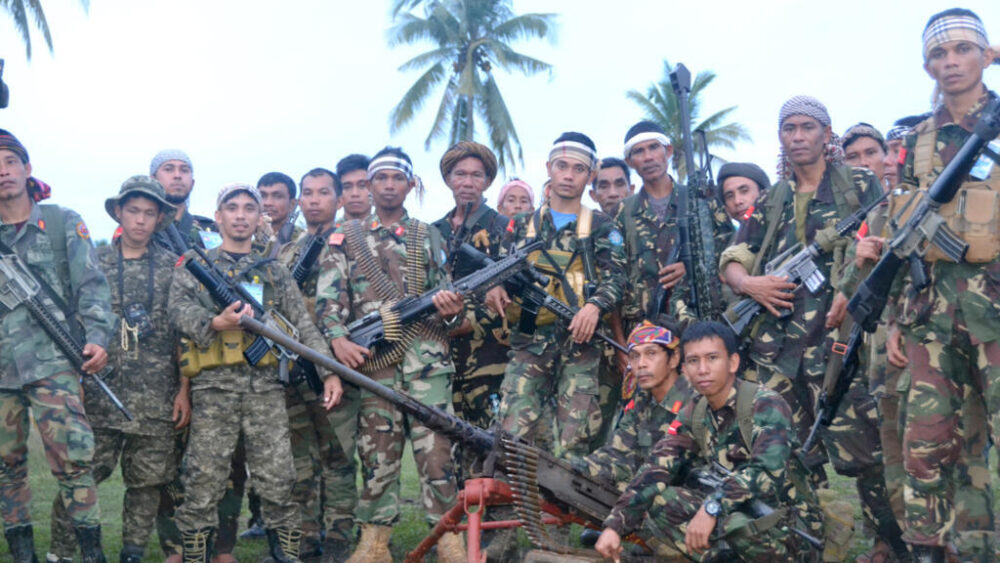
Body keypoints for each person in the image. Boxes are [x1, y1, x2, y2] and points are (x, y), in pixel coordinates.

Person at [719, 95, 905, 561]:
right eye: (789, 129)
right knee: (783, 455)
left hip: (842, 346)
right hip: (778, 349)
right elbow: (734, 257)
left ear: (826, 134)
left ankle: (890, 541)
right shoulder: (773, 198)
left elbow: (888, 240)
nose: (798, 136)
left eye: (807, 127)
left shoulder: (859, 185)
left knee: (864, 455)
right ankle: (799, 543)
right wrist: (750, 283)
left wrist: (851, 284)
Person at [878, 9, 999, 561]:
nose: (950, 62)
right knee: (924, 445)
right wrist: (898, 317)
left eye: (962, 50)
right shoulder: (917, 142)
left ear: (987, 55)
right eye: (938, 54)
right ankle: (929, 550)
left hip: (994, 312)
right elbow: (901, 236)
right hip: (930, 318)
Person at [169, 183, 344, 562]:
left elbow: (303, 325)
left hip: (265, 390)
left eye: (249, 208)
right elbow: (176, 313)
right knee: (203, 482)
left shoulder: (274, 271)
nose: (241, 215)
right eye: (232, 208)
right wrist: (214, 321)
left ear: (258, 217)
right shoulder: (196, 267)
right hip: (213, 390)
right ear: (218, 217)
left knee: (279, 481)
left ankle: (287, 556)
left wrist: (329, 372)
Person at [316, 147, 466, 563]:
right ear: (368, 185)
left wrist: (453, 314)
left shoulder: (427, 235)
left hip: (427, 363)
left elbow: (447, 299)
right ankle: (375, 541)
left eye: (397, 178)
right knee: (377, 453)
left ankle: (449, 537)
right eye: (379, 178)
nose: (387, 186)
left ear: (410, 185)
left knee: (438, 454)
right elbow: (328, 301)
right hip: (374, 364)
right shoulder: (345, 238)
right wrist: (336, 340)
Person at [594, 321, 823, 562]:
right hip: (737, 511)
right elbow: (657, 467)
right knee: (663, 501)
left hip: (791, 527)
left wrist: (711, 507)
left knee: (736, 524)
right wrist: (614, 526)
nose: (702, 369)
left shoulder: (766, 404)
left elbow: (766, 472)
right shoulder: (695, 412)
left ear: (733, 362)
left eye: (712, 358)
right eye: (693, 361)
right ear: (684, 367)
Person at [48, 176, 187, 563]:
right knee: (82, 477)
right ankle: (61, 552)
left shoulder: (175, 268)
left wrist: (184, 390)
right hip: (99, 393)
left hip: (157, 395)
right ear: (119, 213)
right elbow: (70, 324)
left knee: (146, 484)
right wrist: (73, 381)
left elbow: (183, 336)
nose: (140, 220)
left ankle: (132, 552)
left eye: (149, 213)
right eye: (133, 211)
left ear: (160, 218)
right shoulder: (93, 262)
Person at [0, 130, 115, 563]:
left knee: (73, 463)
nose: (2, 171)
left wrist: (98, 340)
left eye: (10, 161)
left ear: (28, 169)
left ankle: (92, 555)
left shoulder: (63, 221)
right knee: (5, 468)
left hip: (54, 363)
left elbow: (92, 288)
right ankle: (23, 555)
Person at [484, 132, 627, 458]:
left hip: (581, 345)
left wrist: (593, 307)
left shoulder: (602, 226)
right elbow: (496, 272)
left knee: (573, 439)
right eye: (561, 166)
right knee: (512, 433)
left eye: (578, 169)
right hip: (528, 342)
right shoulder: (519, 225)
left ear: (590, 176)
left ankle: (567, 508)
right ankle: (512, 505)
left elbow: (617, 279)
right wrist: (494, 290)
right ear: (549, 167)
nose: (568, 175)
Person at [275, 167, 359, 561]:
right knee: (299, 461)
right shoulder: (286, 251)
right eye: (307, 193)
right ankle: (305, 538)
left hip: (335, 367)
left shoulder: (351, 245)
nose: (313, 199)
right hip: (292, 370)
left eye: (323, 192)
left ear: (338, 199)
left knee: (338, 457)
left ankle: (341, 537)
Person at [616, 120, 733, 332]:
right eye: (639, 151)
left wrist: (692, 267)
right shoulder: (621, 213)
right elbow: (613, 275)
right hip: (643, 332)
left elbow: (730, 254)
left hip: (699, 324)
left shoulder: (701, 202)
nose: (648, 157)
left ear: (668, 151)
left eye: (654, 147)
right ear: (630, 161)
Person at [571, 319, 692, 488]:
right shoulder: (642, 400)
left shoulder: (694, 403)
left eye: (651, 353)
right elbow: (617, 453)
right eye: (634, 356)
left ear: (674, 358)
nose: (641, 364)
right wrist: (579, 469)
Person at [149, 149, 219, 252]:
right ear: (153, 180)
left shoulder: (209, 230)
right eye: (169, 169)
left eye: (184, 170)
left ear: (192, 183)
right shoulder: (140, 226)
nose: (177, 175)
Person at [257, 171, 302, 256]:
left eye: (277, 196)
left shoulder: (304, 241)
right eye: (262, 196)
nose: (268, 203)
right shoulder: (247, 245)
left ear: (292, 204)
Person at [336, 154, 373, 221]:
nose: (355, 194)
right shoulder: (331, 231)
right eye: (347, 187)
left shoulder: (390, 229)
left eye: (362, 186)